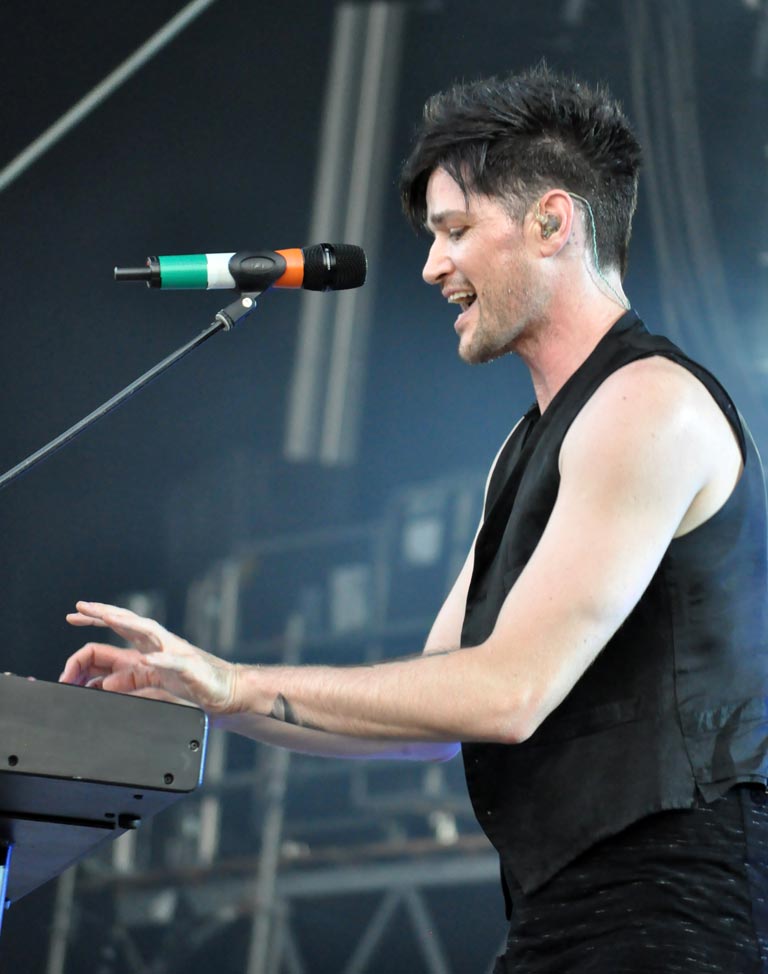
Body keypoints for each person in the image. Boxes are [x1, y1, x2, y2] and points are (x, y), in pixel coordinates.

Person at [61, 64, 768, 972]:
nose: (433, 265)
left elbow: (508, 694)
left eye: (456, 230)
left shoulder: (648, 405)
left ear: (552, 223)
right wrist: (207, 696)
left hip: (679, 919)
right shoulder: (529, 446)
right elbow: (433, 715)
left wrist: (234, 680)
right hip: (566, 918)